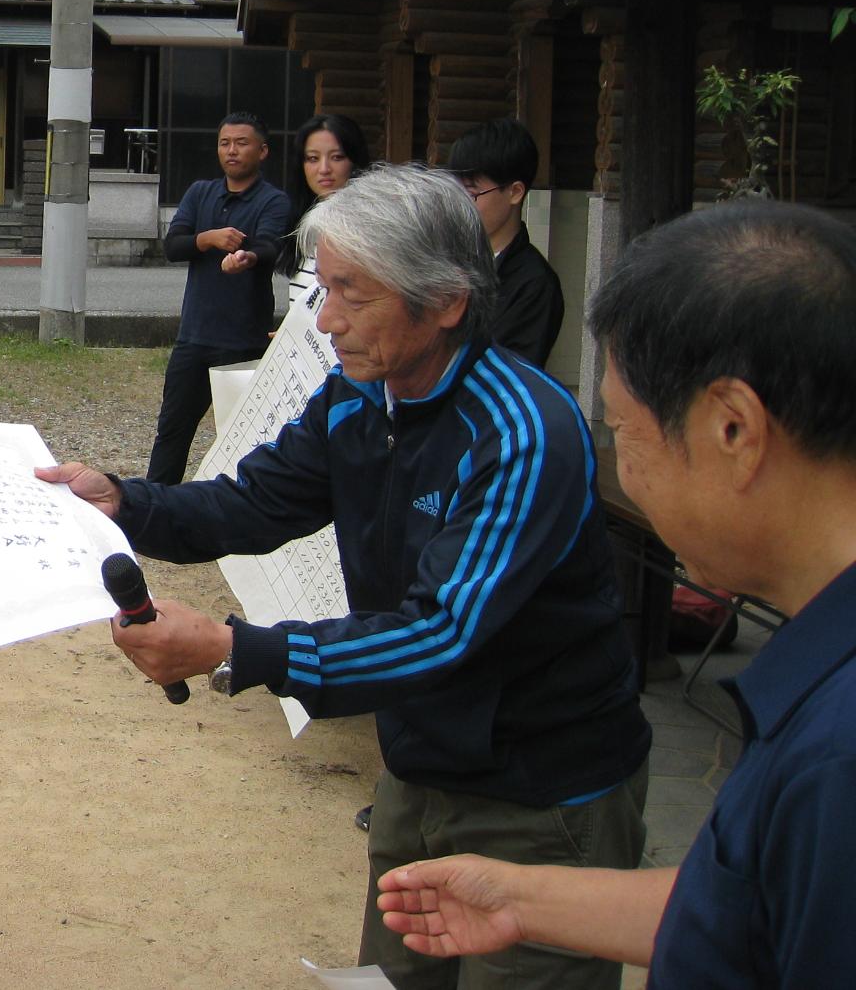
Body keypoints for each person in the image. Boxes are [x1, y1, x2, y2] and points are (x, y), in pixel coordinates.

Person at [44, 164, 649, 990]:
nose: (325, 322)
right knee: (397, 979)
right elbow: (251, 503)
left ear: (446, 303)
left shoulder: (522, 433)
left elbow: (443, 630)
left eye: (350, 295)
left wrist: (235, 648)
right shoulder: (359, 398)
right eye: (321, 290)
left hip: (544, 794)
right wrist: (120, 502)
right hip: (419, 766)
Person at [377, 200, 856, 987]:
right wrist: (525, 899)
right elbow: (759, 903)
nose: (620, 472)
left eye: (625, 432)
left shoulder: (839, 756)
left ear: (733, 429)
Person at [146, 112, 293, 485]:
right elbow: (173, 246)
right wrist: (208, 239)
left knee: (242, 436)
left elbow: (270, 246)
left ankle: (238, 521)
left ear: (262, 151)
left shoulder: (274, 201)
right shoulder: (200, 192)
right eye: (225, 143)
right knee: (173, 429)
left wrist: (246, 258)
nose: (231, 150)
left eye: (241, 143)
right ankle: (153, 511)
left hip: (242, 338)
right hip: (194, 335)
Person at [445, 118, 562, 368]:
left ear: (515, 192)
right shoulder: (447, 258)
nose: (461, 205)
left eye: (472, 193)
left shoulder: (535, 284)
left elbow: (511, 374)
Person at [277, 112, 372, 296]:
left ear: (354, 161)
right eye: (313, 158)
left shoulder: (367, 231)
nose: (324, 169)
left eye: (337, 157)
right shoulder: (301, 224)